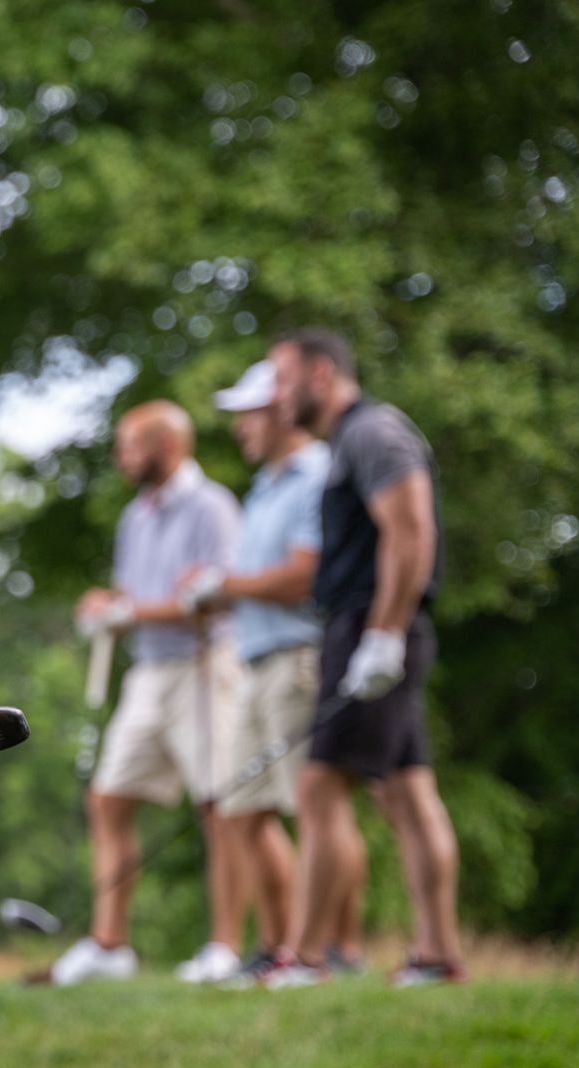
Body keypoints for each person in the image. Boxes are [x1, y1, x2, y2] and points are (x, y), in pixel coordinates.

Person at [259, 330, 464, 988]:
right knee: (408, 792)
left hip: (372, 626)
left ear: (320, 375)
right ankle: (437, 955)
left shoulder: (372, 431)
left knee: (319, 787)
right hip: (370, 628)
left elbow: (411, 528)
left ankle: (307, 958)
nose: (275, 396)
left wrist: (384, 634)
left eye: (282, 380)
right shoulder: (348, 440)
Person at [179, 360, 359, 985]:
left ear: (280, 412)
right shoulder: (264, 485)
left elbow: (304, 575)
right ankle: (278, 943)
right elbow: (257, 580)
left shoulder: (316, 476)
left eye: (247, 415)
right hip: (254, 661)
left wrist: (224, 584)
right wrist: (214, 593)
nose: (238, 429)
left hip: (299, 657)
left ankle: (334, 948)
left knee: (317, 808)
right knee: (242, 809)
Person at [52, 401, 242, 986]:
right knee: (108, 799)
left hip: (204, 666)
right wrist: (108, 604)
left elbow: (224, 594)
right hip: (148, 673)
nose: (120, 456)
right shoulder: (136, 515)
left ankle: (226, 947)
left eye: (130, 445)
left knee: (221, 807)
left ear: (165, 447)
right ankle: (110, 945)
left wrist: (128, 611)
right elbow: (137, 594)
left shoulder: (212, 506)